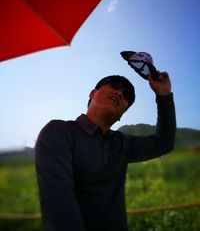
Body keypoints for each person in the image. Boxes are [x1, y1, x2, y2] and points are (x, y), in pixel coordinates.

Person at [35, 72, 176, 231]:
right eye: (114, 85)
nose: (119, 92)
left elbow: (164, 143)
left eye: (126, 95)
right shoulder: (58, 132)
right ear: (92, 93)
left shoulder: (123, 143)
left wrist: (164, 95)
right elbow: (59, 206)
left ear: (123, 114)